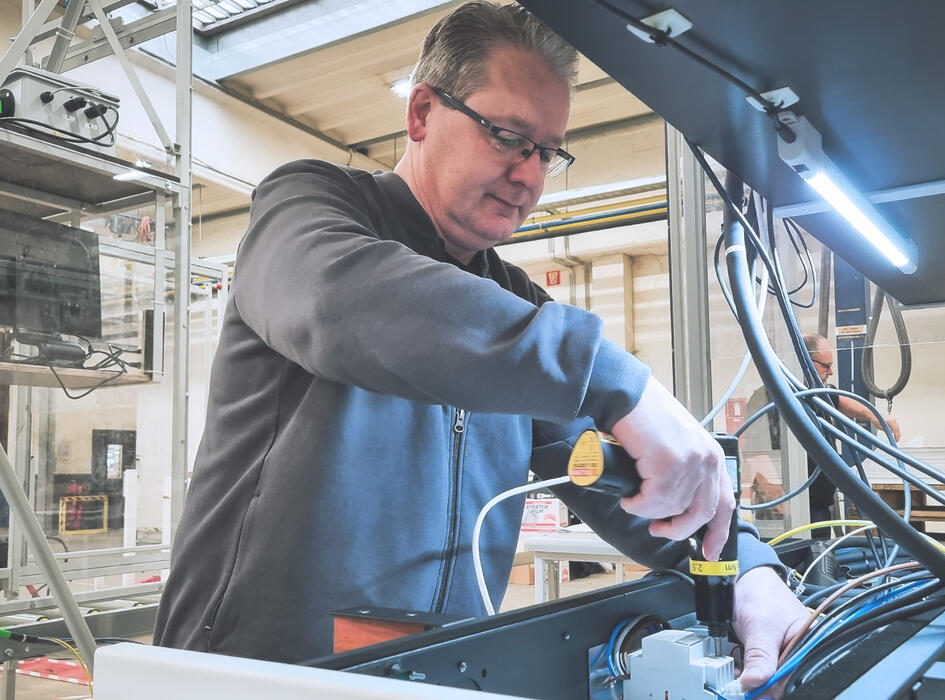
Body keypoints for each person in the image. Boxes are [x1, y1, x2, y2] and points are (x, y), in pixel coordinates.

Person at [153, 2, 808, 689]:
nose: (529, 175)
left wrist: (750, 573)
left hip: (437, 675)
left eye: (547, 151)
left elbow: (629, 482)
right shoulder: (309, 210)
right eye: (506, 135)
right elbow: (338, 305)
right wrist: (618, 378)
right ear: (421, 114)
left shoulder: (517, 306)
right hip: (252, 677)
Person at [804, 333, 901, 536]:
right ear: (804, 360)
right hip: (795, 510)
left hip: (819, 505)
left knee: (821, 560)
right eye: (826, 365)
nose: (831, 371)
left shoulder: (817, 393)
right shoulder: (775, 396)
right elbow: (759, 453)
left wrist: (876, 417)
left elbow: (838, 398)